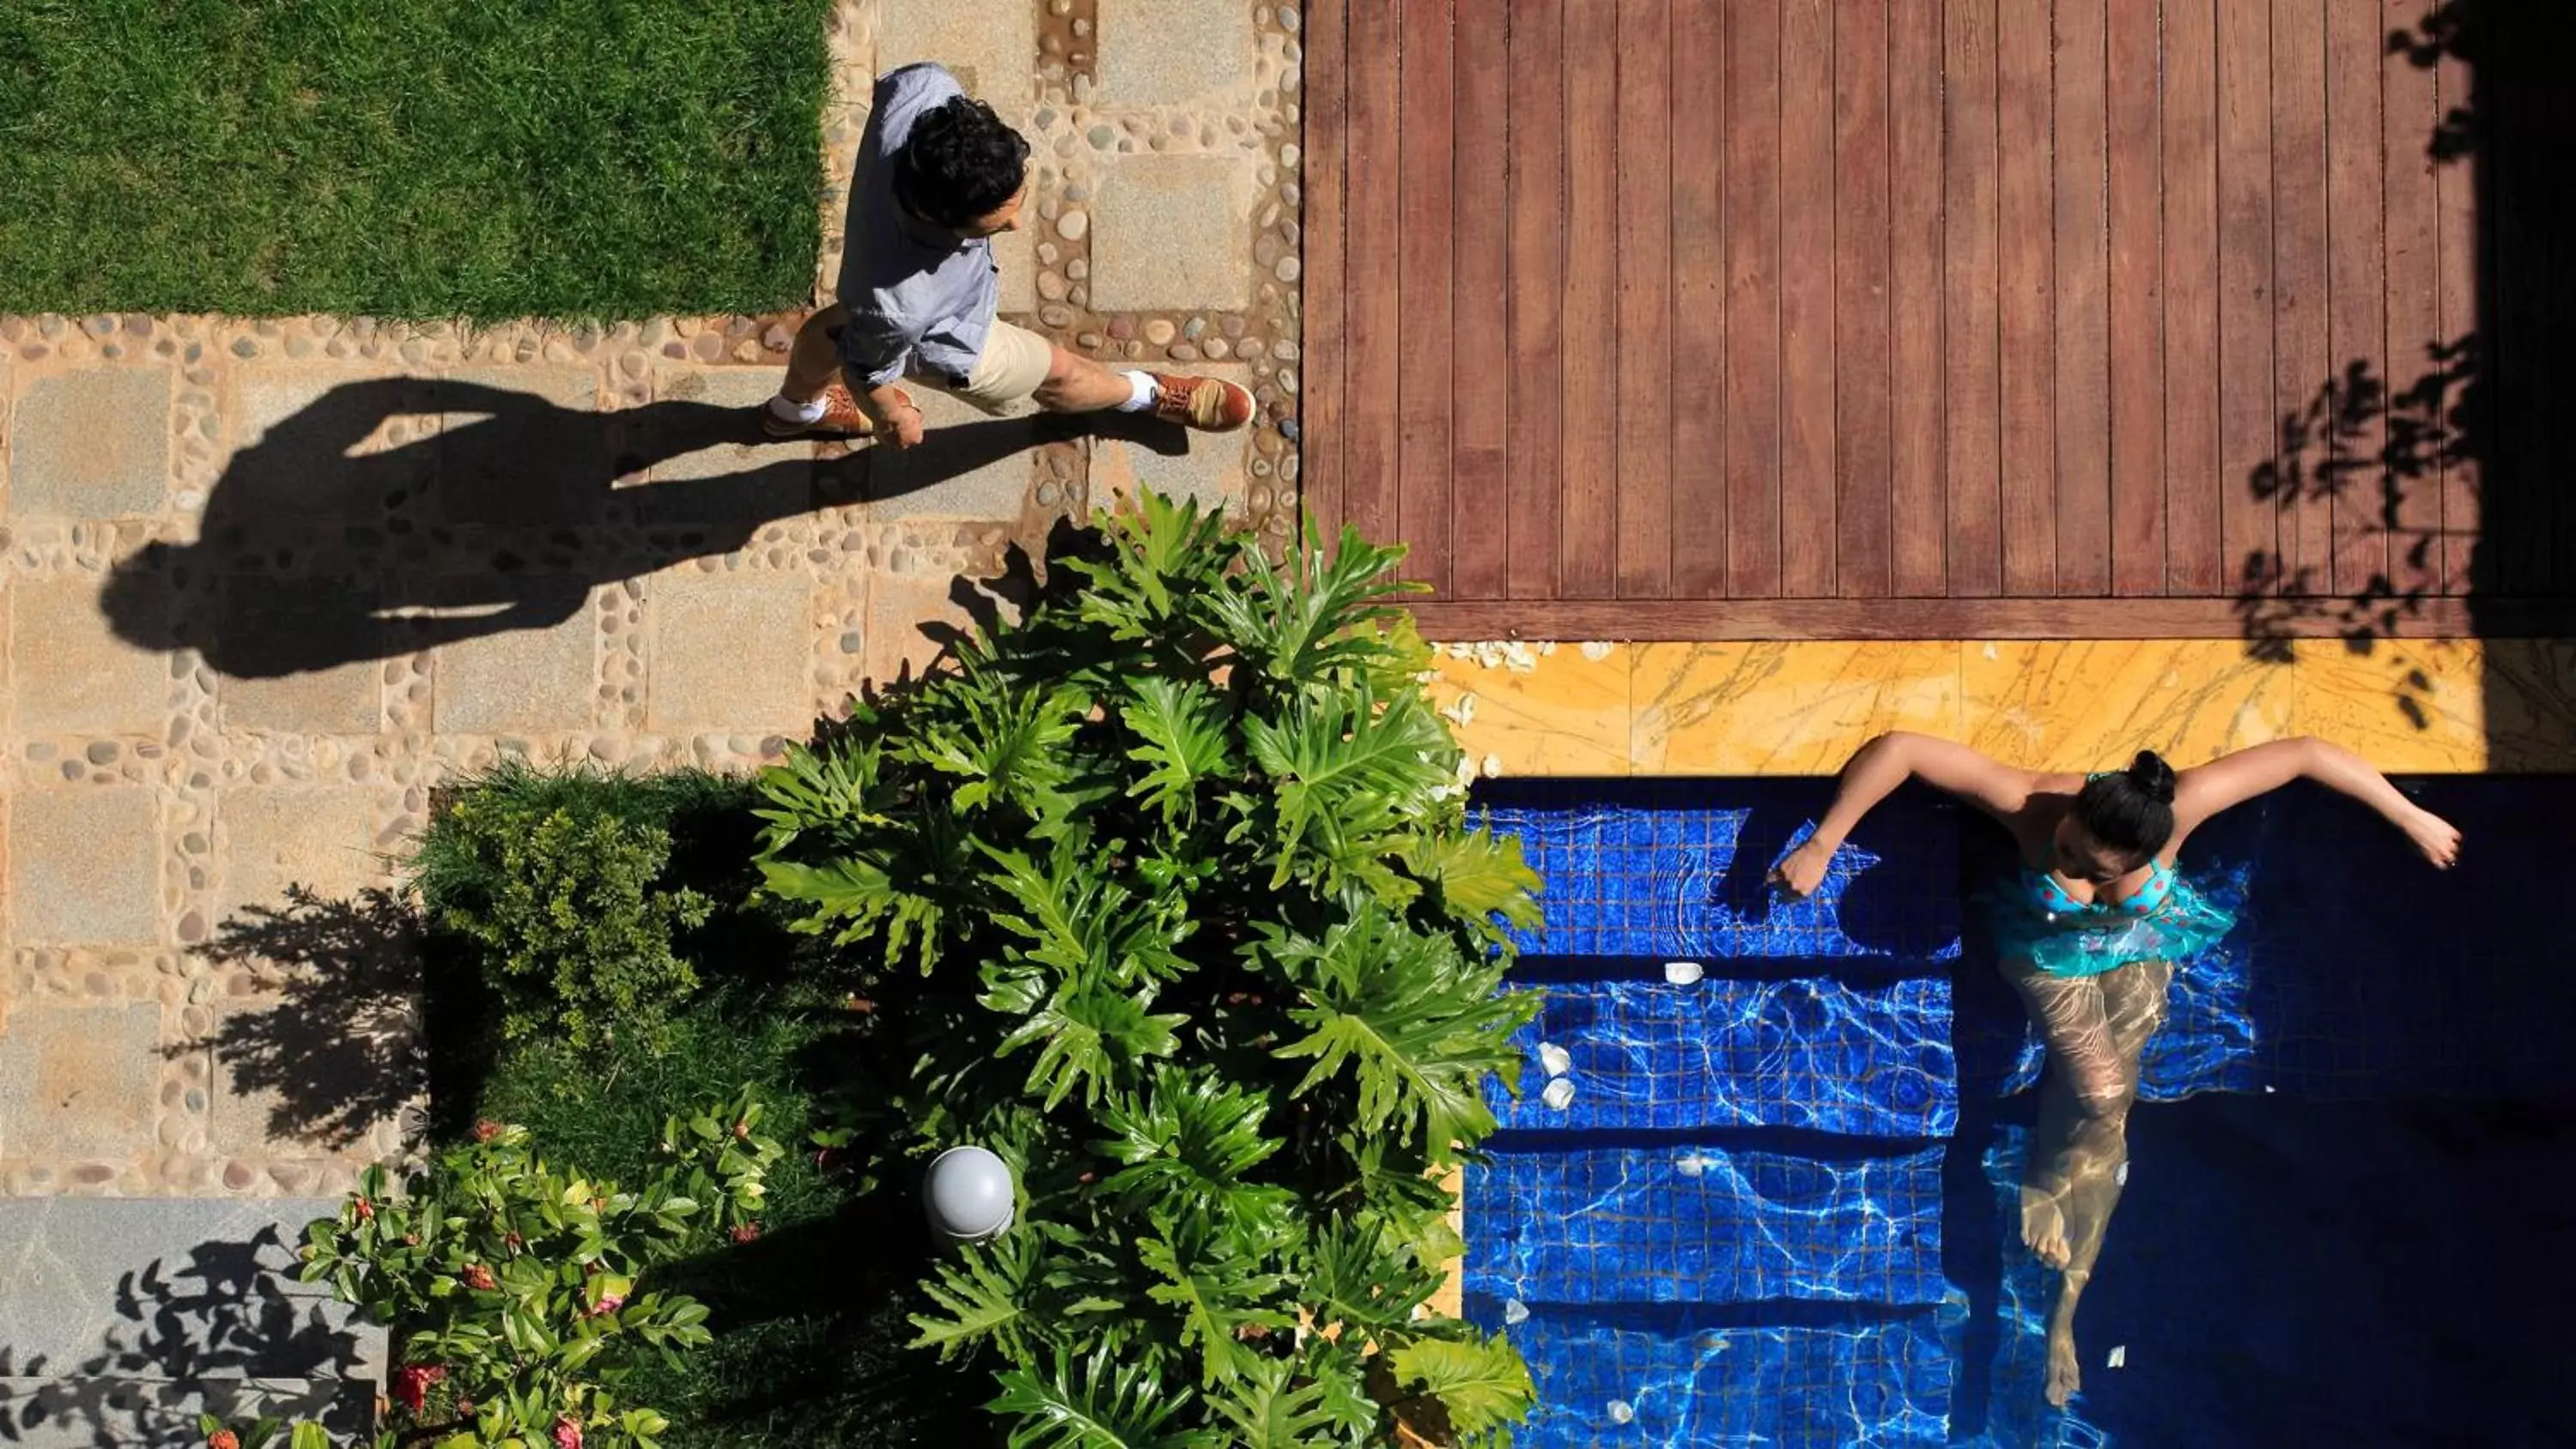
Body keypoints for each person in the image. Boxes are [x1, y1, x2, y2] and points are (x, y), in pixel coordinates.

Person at [1768, 734, 2463, 1407]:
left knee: (2110, 1107)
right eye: (2069, 854)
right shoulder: (2030, 802)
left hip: (2139, 943)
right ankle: (2044, 1180)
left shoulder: (2178, 809)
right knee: (2100, 1092)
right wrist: (1823, 844)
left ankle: (2070, 1301)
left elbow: (2305, 753)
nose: (2073, 871)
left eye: (2099, 872)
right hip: (2043, 950)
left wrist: (2409, 813)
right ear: (2074, 813)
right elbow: (1902, 749)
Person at [763, 62, 1254, 446]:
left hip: (867, 303)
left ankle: (794, 412)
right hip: (950, 336)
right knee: (1057, 372)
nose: (1017, 224)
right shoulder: (899, 306)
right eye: (995, 222)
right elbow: (866, 369)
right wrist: (891, 417)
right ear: (937, 216)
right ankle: (1145, 394)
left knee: (834, 329)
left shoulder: (925, 87)